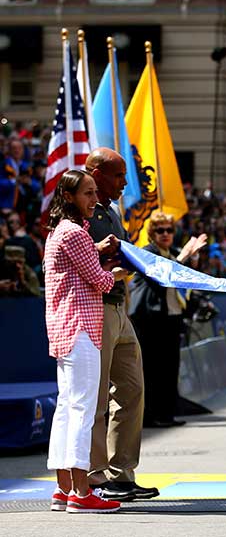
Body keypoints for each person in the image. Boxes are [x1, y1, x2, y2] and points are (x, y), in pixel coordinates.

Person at [44, 169, 128, 514]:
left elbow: (80, 266)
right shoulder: (74, 233)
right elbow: (101, 280)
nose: (94, 200)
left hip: (65, 329)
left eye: (94, 193)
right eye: (88, 194)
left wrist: (96, 251)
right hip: (81, 328)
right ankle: (81, 490)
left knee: (67, 408)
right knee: (81, 409)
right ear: (69, 197)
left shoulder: (59, 233)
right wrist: (121, 273)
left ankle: (64, 489)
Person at [84, 148, 159, 502]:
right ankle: (95, 477)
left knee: (131, 390)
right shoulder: (77, 214)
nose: (125, 183)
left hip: (119, 307)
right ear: (95, 174)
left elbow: (125, 254)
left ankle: (122, 473)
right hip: (94, 309)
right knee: (96, 397)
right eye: (117, 176)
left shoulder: (112, 212)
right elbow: (71, 258)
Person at [128, 212, 208, 427]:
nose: (165, 234)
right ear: (152, 233)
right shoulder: (147, 252)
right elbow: (161, 277)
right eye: (160, 230)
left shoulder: (171, 253)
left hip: (171, 319)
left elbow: (185, 282)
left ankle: (166, 414)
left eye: (169, 230)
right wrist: (183, 257)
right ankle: (150, 416)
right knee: (153, 369)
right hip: (151, 320)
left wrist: (193, 258)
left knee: (170, 368)